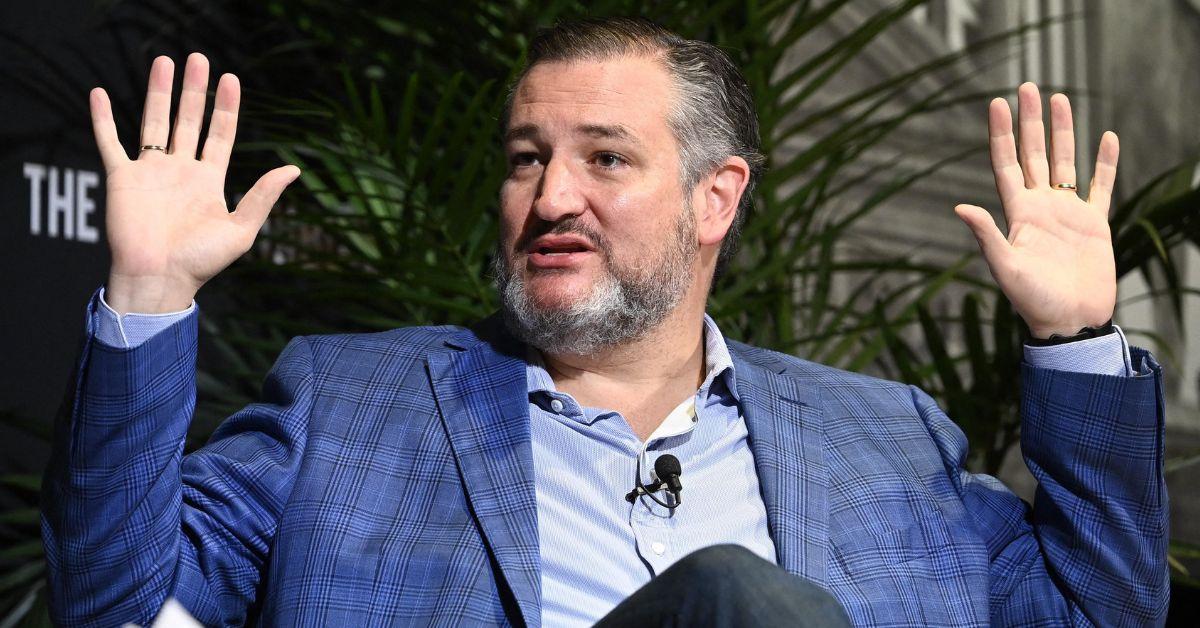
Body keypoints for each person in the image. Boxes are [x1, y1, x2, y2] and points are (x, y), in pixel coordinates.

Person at [42, 17, 1167, 627]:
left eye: (605, 159)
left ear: (715, 198)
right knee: (736, 597)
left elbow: (1100, 611)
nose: (551, 197)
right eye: (527, 159)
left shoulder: (885, 433)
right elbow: (115, 606)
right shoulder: (346, 403)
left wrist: (1074, 340)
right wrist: (150, 296)